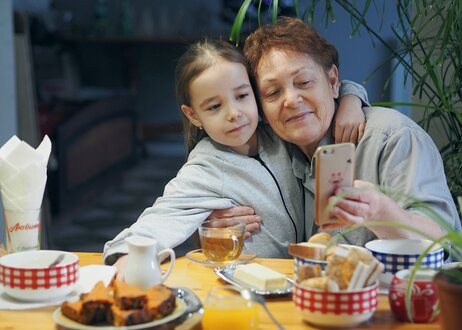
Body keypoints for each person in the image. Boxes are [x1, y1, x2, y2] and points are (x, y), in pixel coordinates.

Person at [103, 39, 369, 269]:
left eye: (242, 95)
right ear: (193, 115)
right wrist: (126, 256)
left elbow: (326, 87)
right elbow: (159, 219)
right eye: (215, 106)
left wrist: (351, 99)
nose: (234, 113)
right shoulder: (205, 168)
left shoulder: (278, 130)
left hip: (302, 277)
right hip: (248, 285)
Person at [212, 17, 461, 245]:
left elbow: (443, 238)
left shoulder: (393, 137)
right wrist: (217, 221)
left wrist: (381, 213)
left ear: (332, 81)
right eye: (273, 93)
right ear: (262, 109)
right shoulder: (268, 150)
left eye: (303, 82)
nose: (291, 100)